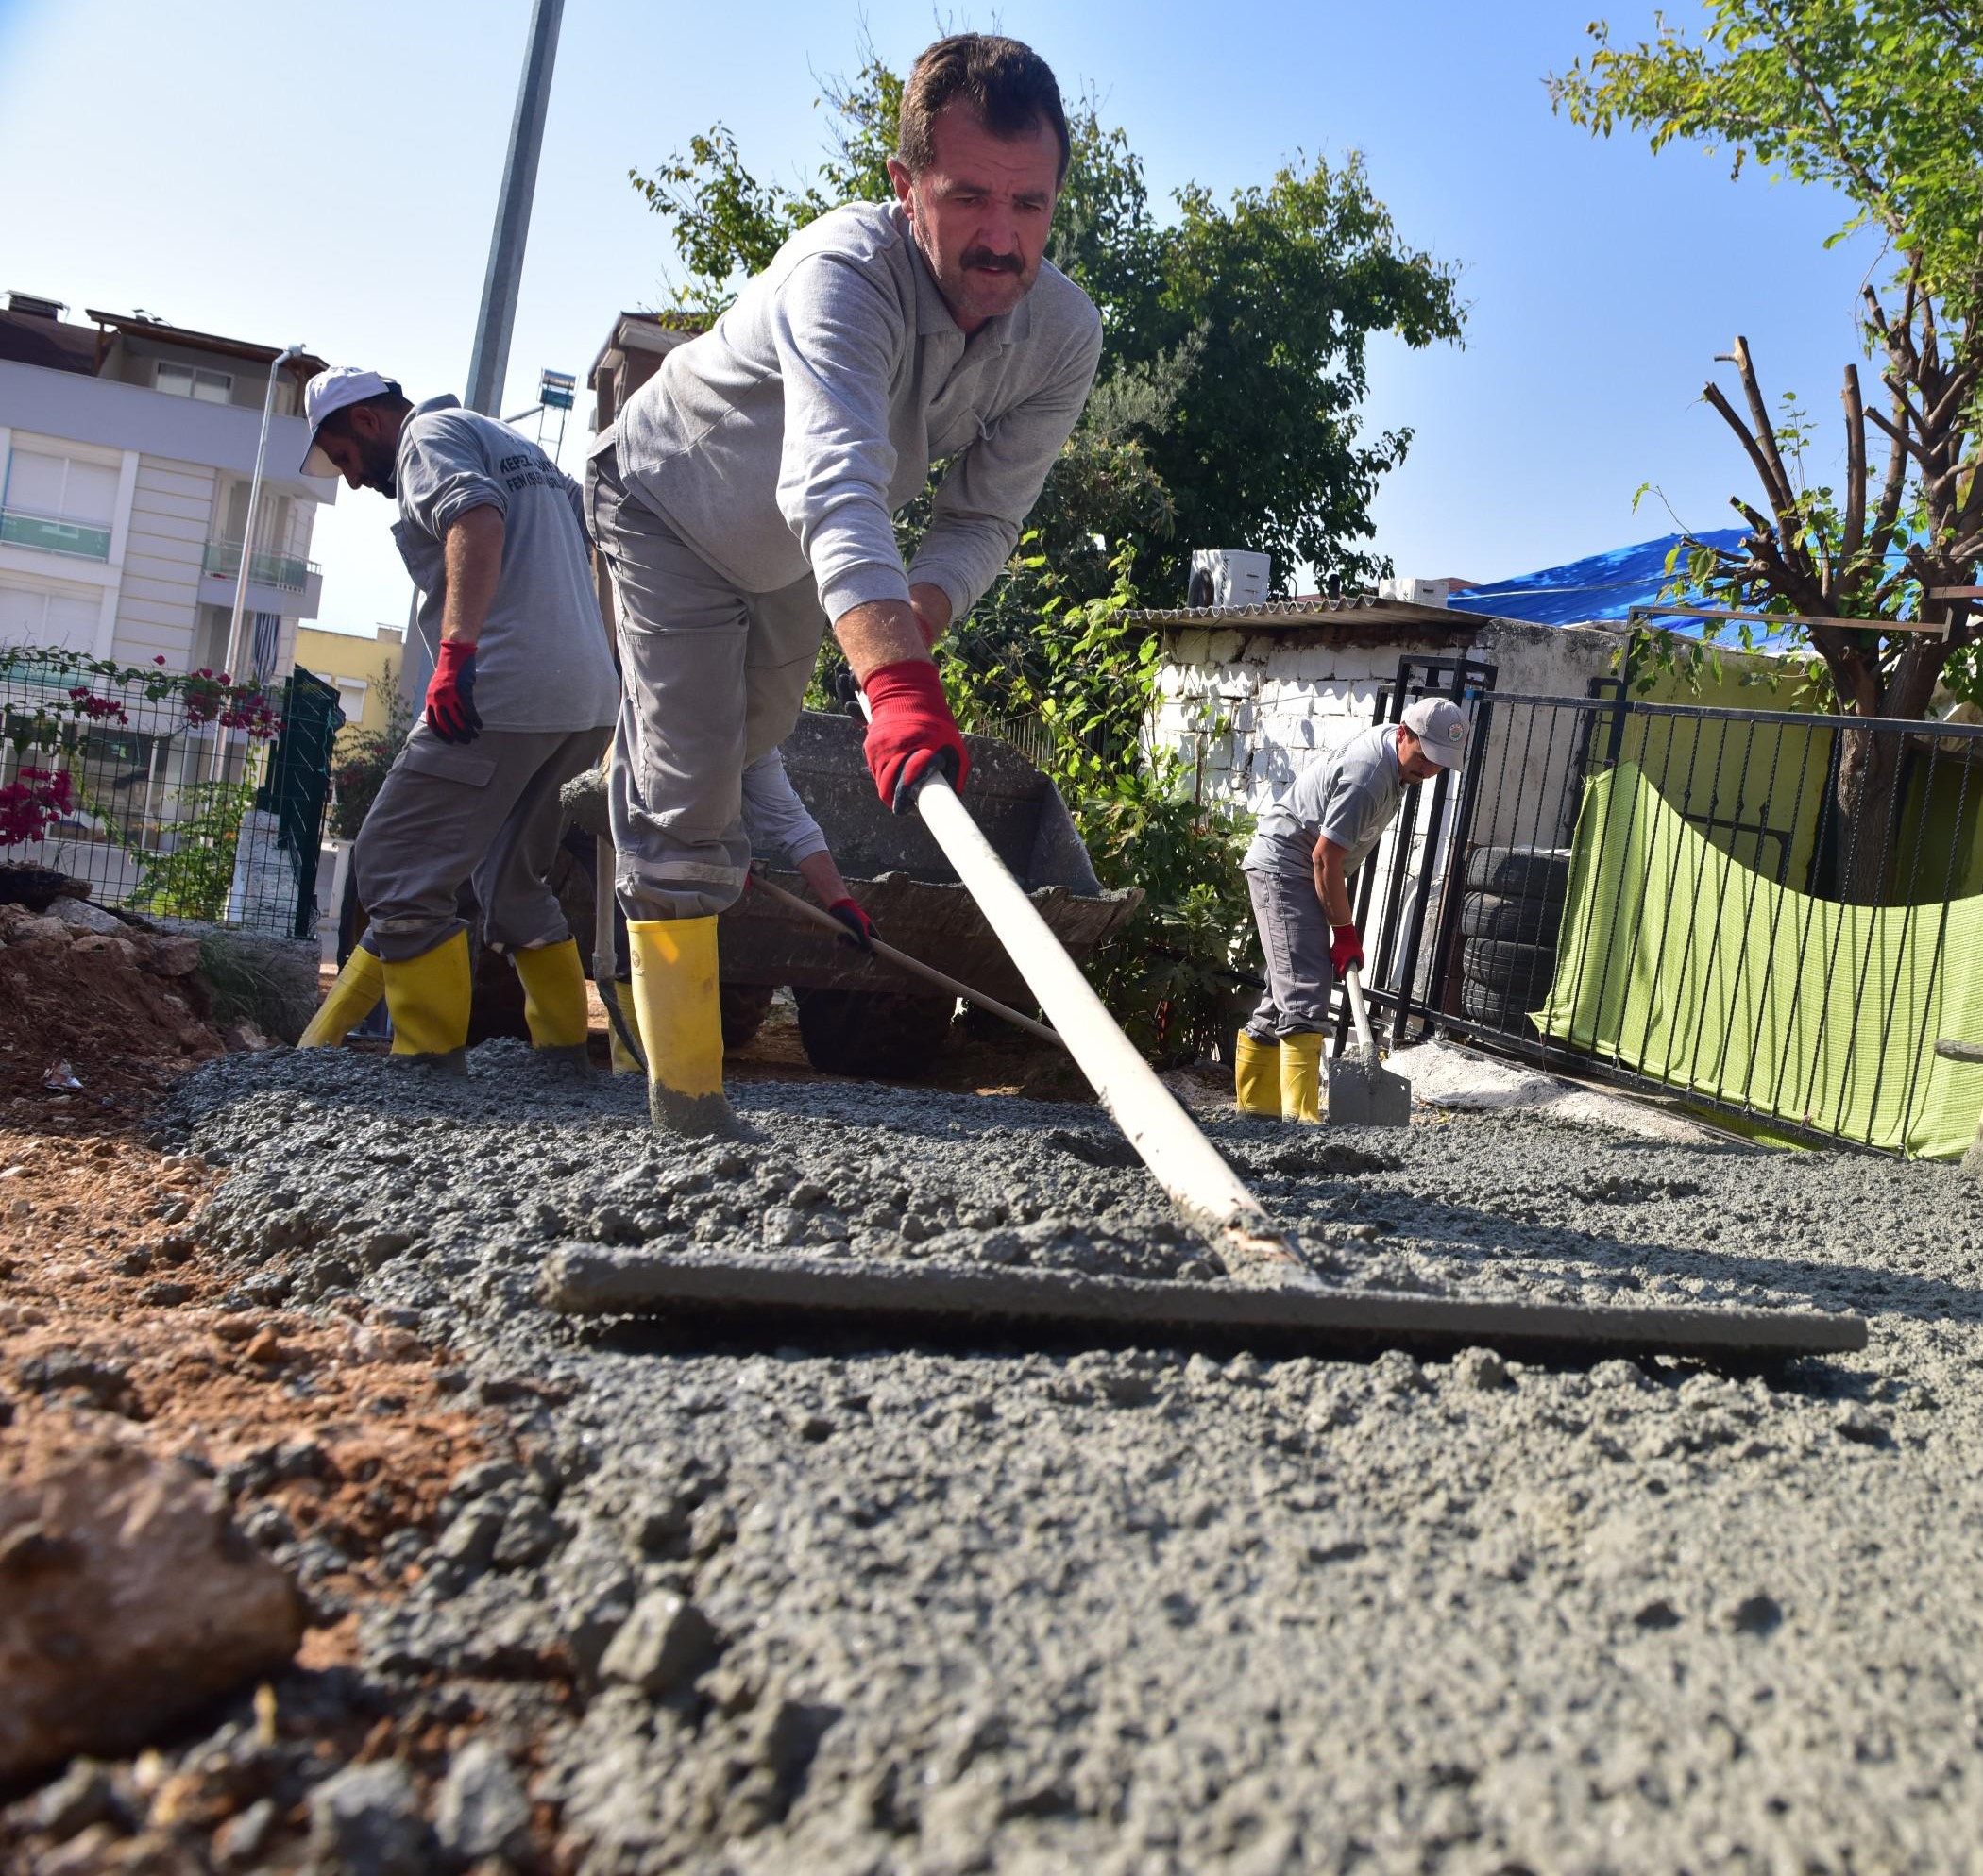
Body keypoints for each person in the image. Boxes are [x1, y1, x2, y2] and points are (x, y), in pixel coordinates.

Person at [588, 30, 1102, 1137]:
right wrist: (904, 691)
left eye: (1032, 206)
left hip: (790, 566)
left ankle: (632, 764)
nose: (1003, 240)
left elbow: (980, 518)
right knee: (692, 806)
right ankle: (685, 1106)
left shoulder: (1062, 335)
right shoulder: (843, 272)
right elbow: (836, 486)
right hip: (671, 509)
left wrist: (912, 631)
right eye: (970, 199)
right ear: (903, 185)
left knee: (744, 743)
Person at [296, 367, 619, 1067]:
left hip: (500, 694)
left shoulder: (426, 439)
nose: (352, 480)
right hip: (585, 700)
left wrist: (455, 654)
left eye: (347, 459)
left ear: (369, 421)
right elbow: (593, 537)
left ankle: (426, 1069)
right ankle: (561, 1063)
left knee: (393, 864)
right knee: (510, 879)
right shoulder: (513, 442)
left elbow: (474, 516)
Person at [1235, 697, 1469, 1122]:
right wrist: (1345, 933)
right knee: (1306, 986)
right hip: (1286, 868)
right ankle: (1300, 1123)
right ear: (1403, 733)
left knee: (1283, 995)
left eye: (1439, 763)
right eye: (1424, 757)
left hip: (1298, 868)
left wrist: (1340, 925)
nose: (1429, 770)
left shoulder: (1394, 761)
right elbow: (1325, 859)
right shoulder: (1369, 775)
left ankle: (1257, 1112)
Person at [600, 746, 878, 1073]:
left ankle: (688, 1084)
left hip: (682, 860)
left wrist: (839, 901)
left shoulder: (756, 742)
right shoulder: (660, 722)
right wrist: (719, 856)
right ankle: (635, 1074)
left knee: (683, 954)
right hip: (630, 839)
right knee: (633, 943)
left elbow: (791, 822)